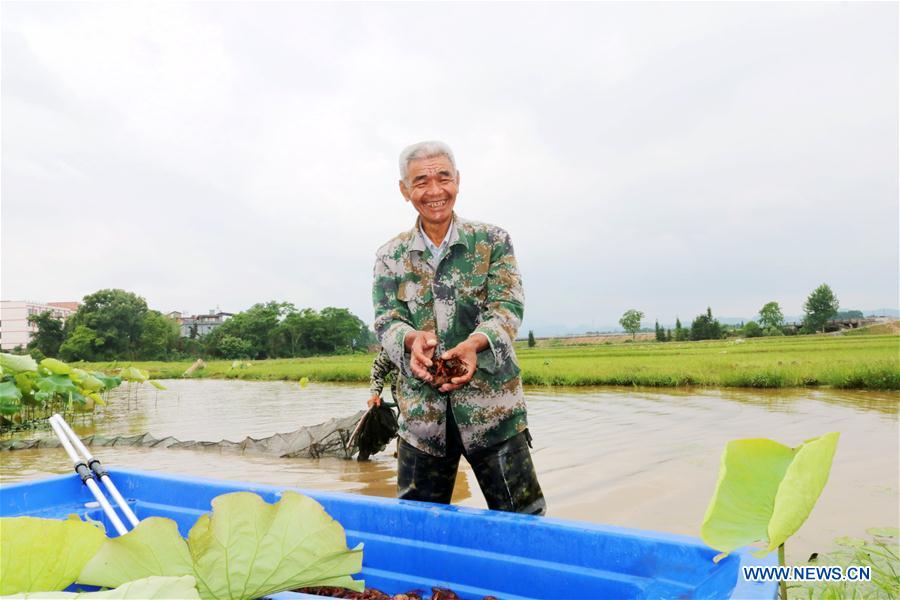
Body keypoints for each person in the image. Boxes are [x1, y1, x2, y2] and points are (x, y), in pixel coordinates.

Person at [372, 140, 545, 515]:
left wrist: (475, 344)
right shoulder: (390, 256)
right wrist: (411, 340)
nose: (434, 191)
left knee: (523, 522)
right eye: (421, 181)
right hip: (422, 418)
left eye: (443, 178)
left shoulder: (492, 241)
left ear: (458, 181)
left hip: (494, 412)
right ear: (404, 190)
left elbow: (507, 308)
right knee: (419, 525)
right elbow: (386, 320)